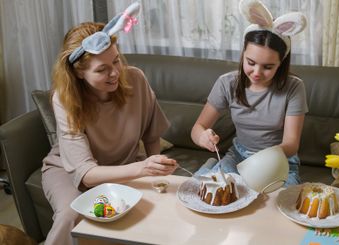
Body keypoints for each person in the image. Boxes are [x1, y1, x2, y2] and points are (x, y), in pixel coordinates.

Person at [41, 3, 177, 245]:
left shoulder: (135, 78)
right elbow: (86, 174)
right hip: (69, 171)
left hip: (124, 166)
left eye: (116, 61)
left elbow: (151, 134)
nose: (115, 73)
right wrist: (143, 168)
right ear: (80, 72)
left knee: (153, 213)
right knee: (71, 215)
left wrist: (156, 173)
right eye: (102, 69)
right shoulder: (64, 98)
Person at [191, 0, 308, 186]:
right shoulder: (227, 83)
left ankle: (214, 168)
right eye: (251, 62)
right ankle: (212, 165)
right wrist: (202, 137)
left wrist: (258, 164)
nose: (257, 73)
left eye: (268, 67)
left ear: (281, 64)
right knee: (214, 190)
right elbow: (198, 128)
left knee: (280, 201)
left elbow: (291, 143)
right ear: (243, 54)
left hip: (278, 158)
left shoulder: (294, 87)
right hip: (239, 155)